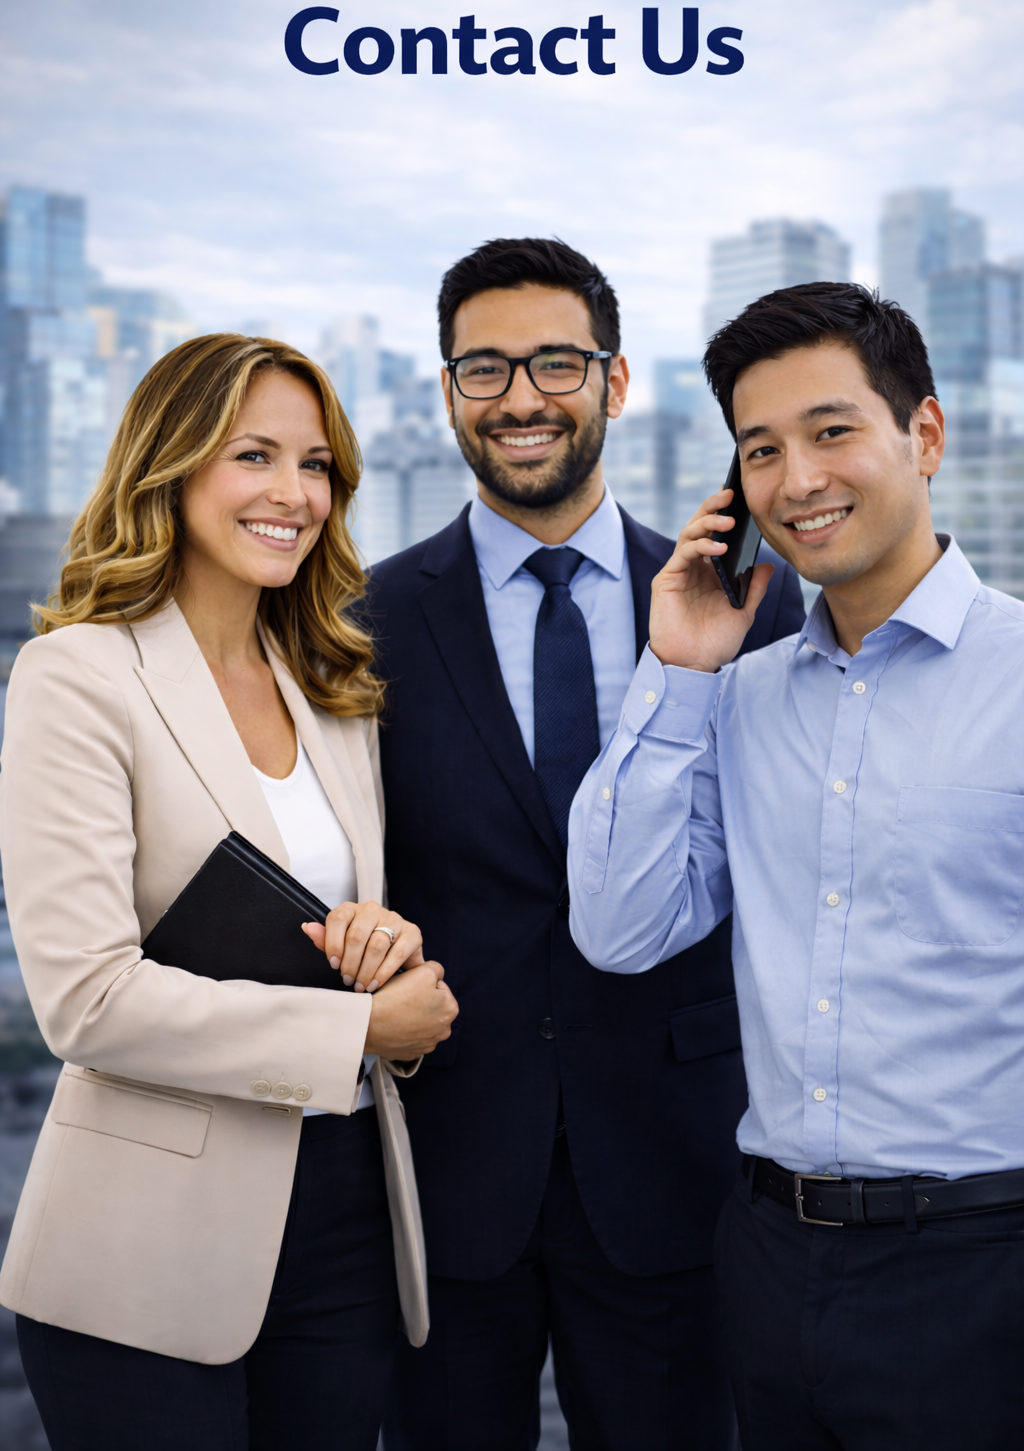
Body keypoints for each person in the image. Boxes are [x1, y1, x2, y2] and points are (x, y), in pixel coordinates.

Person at [568, 280, 1024, 1450]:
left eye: (832, 432)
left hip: (984, 1264)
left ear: (921, 435)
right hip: (769, 1257)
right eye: (760, 450)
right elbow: (619, 927)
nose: (797, 480)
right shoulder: (737, 696)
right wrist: (676, 670)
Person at [367, 238, 805, 1451]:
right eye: (483, 369)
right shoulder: (364, 621)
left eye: (555, 363)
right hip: (451, 1160)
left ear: (613, 384)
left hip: (677, 1157)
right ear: (447, 391)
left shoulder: (746, 606)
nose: (519, 398)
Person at [0, 333, 458, 1451]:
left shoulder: (331, 689)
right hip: (145, 1243)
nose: (292, 494)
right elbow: (89, 1004)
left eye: (316, 466)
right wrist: (360, 1024)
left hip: (347, 1209)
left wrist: (380, 947)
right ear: (173, 461)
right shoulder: (79, 675)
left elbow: (327, 926)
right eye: (254, 454)